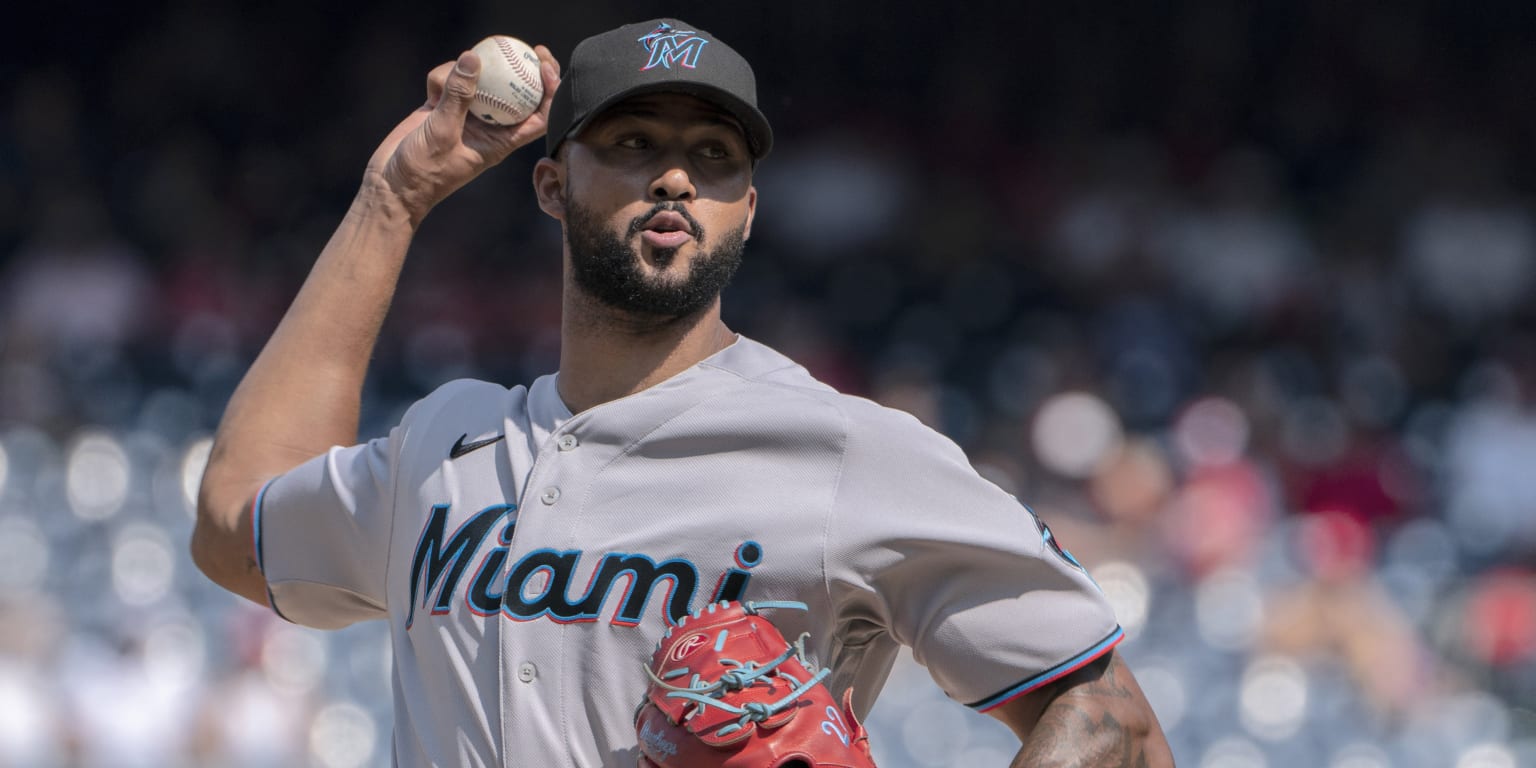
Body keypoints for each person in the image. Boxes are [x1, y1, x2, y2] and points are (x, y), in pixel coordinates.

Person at [191, 18, 1175, 767]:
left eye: (714, 158)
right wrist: (392, 198)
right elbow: (235, 527)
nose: (673, 176)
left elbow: (1111, 717)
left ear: (745, 212)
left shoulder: (843, 450)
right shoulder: (446, 444)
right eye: (630, 143)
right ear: (549, 185)